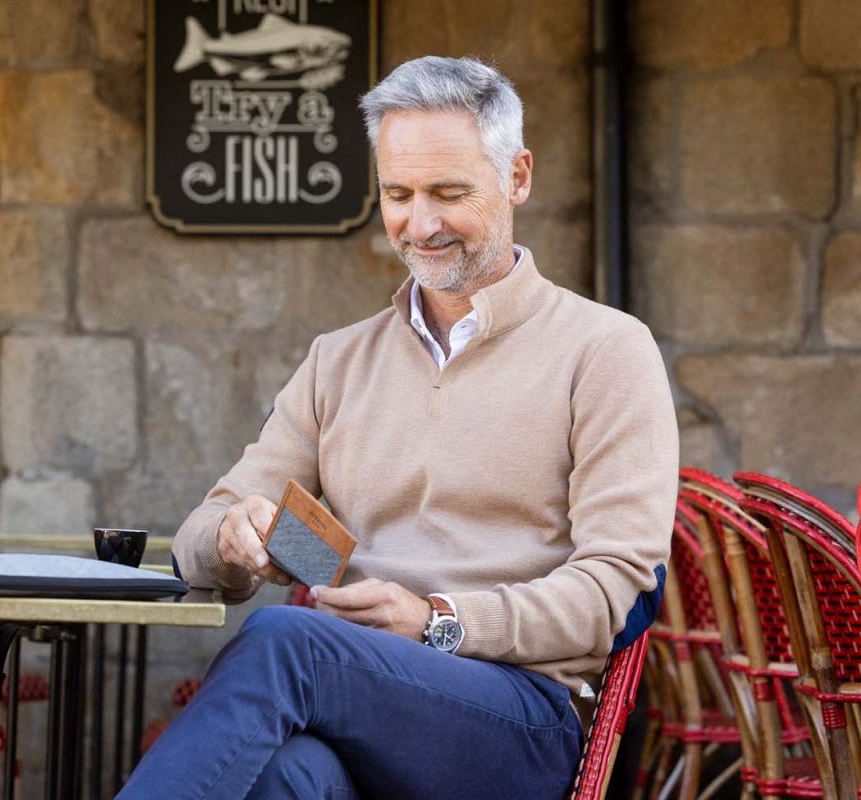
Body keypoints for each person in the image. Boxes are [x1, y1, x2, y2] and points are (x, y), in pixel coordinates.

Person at [118, 56, 678, 800]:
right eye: (398, 194)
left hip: (519, 720)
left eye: (449, 193)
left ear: (517, 178)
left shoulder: (605, 351)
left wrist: (438, 621)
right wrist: (231, 536)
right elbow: (199, 541)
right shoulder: (337, 360)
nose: (421, 224)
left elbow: (615, 593)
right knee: (291, 775)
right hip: (356, 706)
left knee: (285, 645)